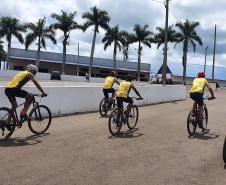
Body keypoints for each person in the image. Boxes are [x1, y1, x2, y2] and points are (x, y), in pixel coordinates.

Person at [4, 64, 47, 130]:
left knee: (14, 106)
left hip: (7, 89)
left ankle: (8, 122)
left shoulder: (21, 72)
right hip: (15, 89)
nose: (34, 74)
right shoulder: (29, 74)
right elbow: (37, 84)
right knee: (30, 96)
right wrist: (43, 93)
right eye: (34, 72)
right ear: (32, 71)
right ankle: (23, 113)